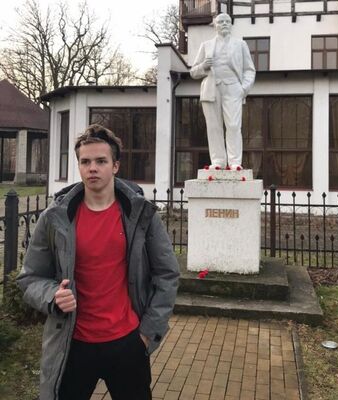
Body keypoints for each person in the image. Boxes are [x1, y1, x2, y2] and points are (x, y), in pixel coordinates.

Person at [17, 124, 180, 400]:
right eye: (85, 162)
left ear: (115, 166)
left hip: (128, 342)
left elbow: (167, 274)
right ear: (79, 166)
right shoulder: (55, 217)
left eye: (101, 161)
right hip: (72, 344)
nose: (92, 168)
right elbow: (30, 277)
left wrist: (147, 334)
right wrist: (52, 296)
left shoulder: (141, 215)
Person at [190, 13, 256, 170]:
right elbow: (193, 72)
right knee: (214, 127)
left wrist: (243, 89)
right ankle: (218, 161)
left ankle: (235, 162)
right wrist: (204, 66)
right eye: (221, 22)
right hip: (211, 89)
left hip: (233, 88)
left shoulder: (240, 45)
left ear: (231, 25)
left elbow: (249, 69)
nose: (224, 24)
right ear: (215, 25)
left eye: (227, 21)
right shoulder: (206, 45)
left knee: (233, 126)